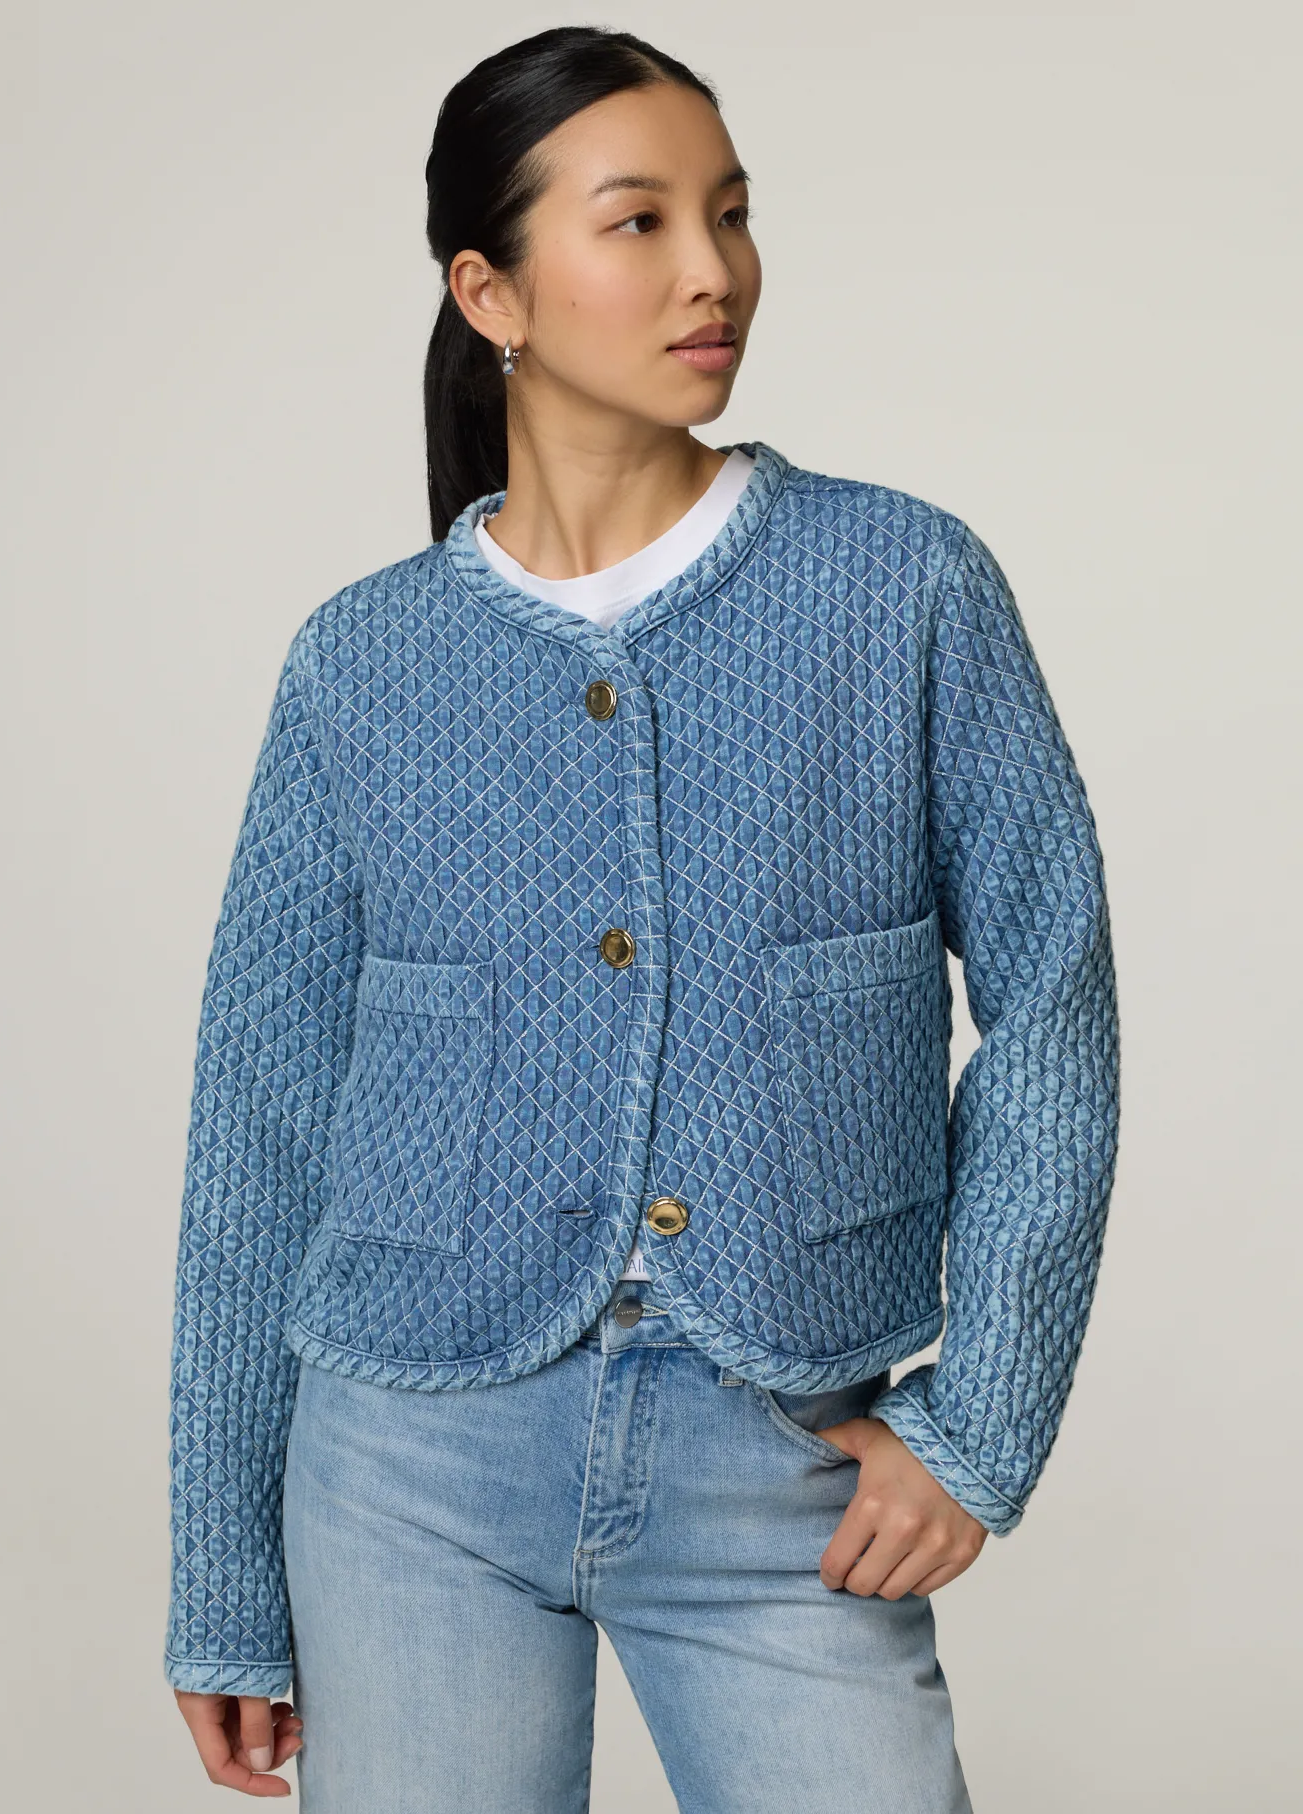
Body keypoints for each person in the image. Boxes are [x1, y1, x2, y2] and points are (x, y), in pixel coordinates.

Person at [164, 25, 1120, 1812]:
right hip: (406, 1472)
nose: (714, 270)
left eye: (732, 213)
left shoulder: (903, 586)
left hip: (782, 1464)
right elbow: (261, 1119)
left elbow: (1055, 999)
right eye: (641, 220)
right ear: (491, 293)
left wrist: (979, 1422)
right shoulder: (361, 662)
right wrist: (223, 1570)